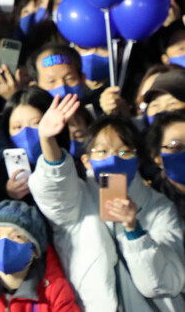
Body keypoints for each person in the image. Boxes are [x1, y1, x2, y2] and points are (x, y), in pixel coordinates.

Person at [29, 95, 185, 310]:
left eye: (123, 151)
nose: (113, 159)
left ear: (137, 158)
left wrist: (134, 231)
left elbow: (164, 283)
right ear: (86, 160)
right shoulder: (76, 200)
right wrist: (47, 140)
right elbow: (55, 190)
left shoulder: (158, 207)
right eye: (101, 152)